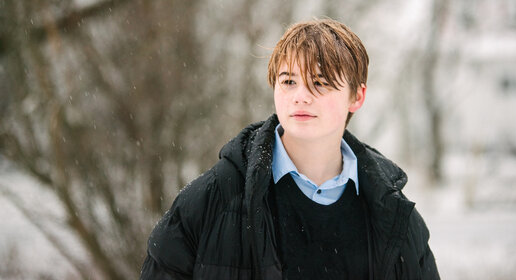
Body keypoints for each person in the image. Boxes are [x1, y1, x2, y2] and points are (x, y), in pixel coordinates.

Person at [140, 18, 440, 279]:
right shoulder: (210, 201)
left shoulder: (394, 216)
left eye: (319, 83)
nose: (300, 96)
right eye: (288, 81)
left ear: (357, 96)